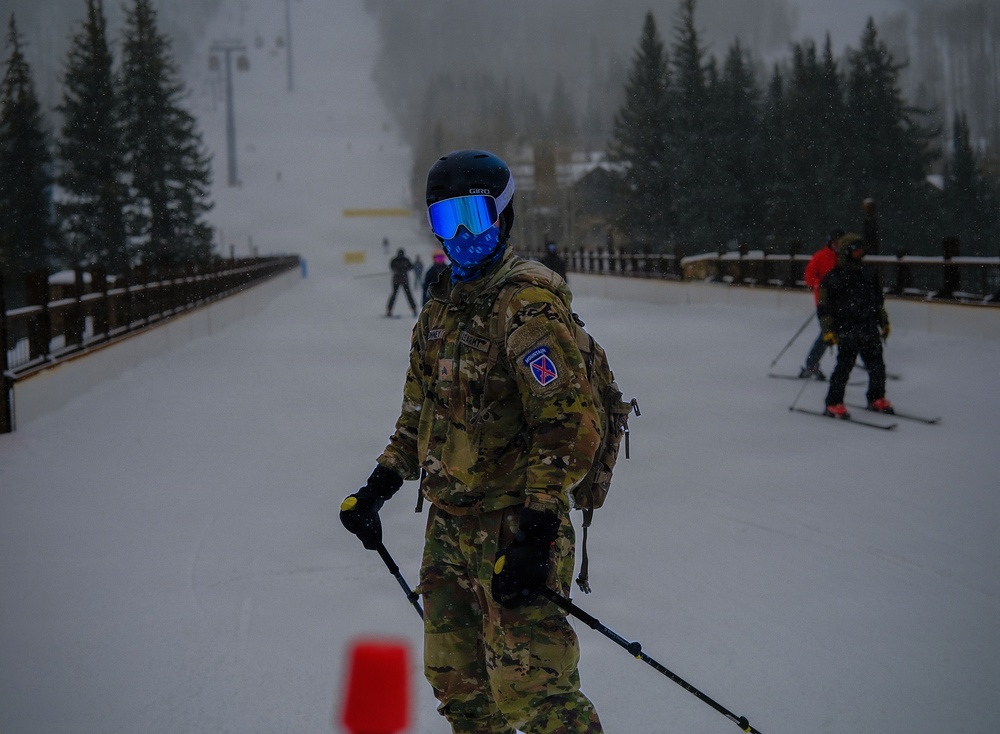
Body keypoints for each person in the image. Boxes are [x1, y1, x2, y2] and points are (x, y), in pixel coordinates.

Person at [341, 149, 605, 734]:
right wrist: (377, 487)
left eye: (474, 216)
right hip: (449, 528)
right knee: (460, 689)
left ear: (503, 217)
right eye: (445, 219)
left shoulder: (526, 307)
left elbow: (570, 423)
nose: (460, 234)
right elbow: (417, 420)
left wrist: (537, 532)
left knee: (536, 694)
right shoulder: (438, 310)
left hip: (515, 523)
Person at [818, 232, 893, 418]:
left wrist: (883, 322)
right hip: (847, 328)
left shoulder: (868, 274)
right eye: (855, 249)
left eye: (861, 249)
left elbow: (877, 302)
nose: (860, 253)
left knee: (877, 365)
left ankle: (877, 397)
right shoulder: (832, 278)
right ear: (846, 251)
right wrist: (828, 330)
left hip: (868, 326)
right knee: (844, 366)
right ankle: (833, 402)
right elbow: (824, 308)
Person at [799, 228, 845, 379]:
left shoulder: (846, 258)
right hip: (824, 303)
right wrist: (821, 285)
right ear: (830, 242)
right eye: (836, 242)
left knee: (844, 333)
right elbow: (809, 276)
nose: (838, 245)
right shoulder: (820, 257)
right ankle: (811, 364)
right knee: (826, 334)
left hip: (843, 303)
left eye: (841, 242)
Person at [386, 248, 417, 317]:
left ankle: (389, 310)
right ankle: (414, 309)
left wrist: (400, 269)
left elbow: (392, 267)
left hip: (398, 279)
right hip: (403, 279)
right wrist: (404, 269)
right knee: (408, 294)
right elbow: (411, 267)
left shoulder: (395, 260)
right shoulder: (405, 260)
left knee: (395, 295)